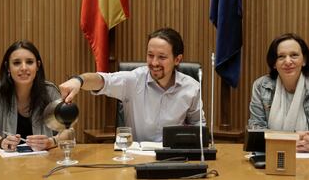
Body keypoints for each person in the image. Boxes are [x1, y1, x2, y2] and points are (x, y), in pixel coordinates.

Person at [59, 27, 206, 142]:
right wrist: (79, 80)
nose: (154, 63)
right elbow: (102, 80)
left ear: (177, 60)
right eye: (150, 55)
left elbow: (199, 126)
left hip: (174, 157)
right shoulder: (133, 80)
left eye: (162, 57)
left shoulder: (191, 87)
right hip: (136, 156)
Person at [0, 40, 61, 151]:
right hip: (6, 162)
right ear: (8, 67)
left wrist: (50, 142)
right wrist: (2, 142)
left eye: (29, 62)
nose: (24, 68)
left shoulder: (50, 91)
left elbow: (68, 131)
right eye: (16, 63)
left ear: (38, 66)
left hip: (44, 161)